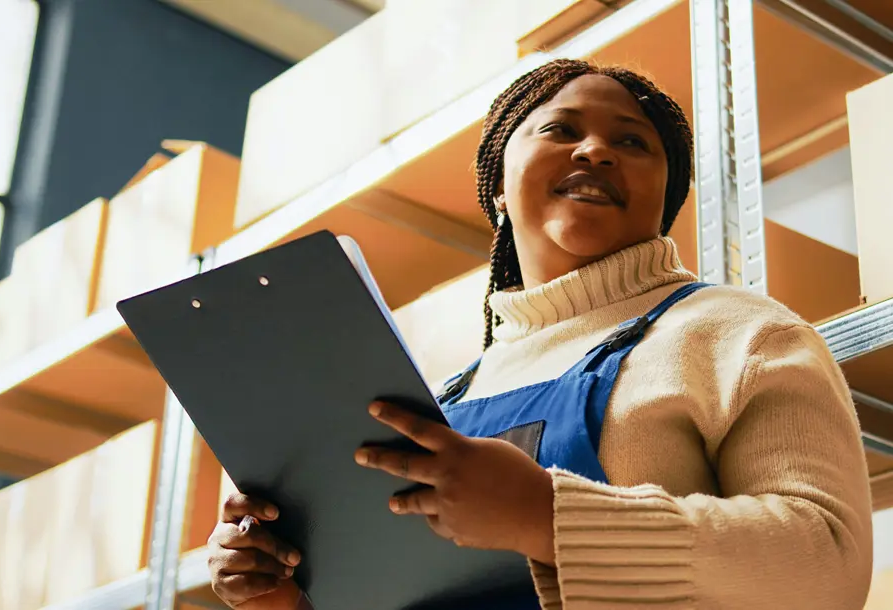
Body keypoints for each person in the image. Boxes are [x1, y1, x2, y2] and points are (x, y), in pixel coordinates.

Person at [206, 58, 874, 609]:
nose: (596, 151)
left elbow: (828, 566)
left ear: (665, 198)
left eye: (633, 142)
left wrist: (547, 515)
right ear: (498, 186)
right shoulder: (443, 393)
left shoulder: (739, 334)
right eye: (560, 130)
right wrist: (285, 591)